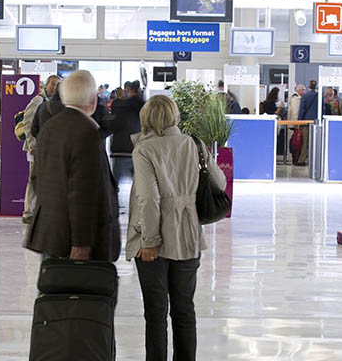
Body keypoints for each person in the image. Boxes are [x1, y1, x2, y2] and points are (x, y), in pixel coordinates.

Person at [126, 95, 225, 361]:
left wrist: (149, 240)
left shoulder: (144, 149)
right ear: (175, 116)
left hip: (153, 242)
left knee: (156, 313)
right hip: (189, 235)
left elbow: (148, 199)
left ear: (145, 119)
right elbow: (221, 182)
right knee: (184, 311)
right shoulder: (194, 144)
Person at [25, 70, 120, 262]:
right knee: (80, 290)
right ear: (93, 100)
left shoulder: (49, 128)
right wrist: (81, 244)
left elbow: (37, 178)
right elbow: (83, 192)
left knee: (54, 287)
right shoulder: (88, 132)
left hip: (51, 233)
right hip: (76, 241)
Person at [21, 75, 61, 224]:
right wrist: (32, 145)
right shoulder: (38, 100)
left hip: (45, 147)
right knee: (34, 179)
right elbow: (28, 122)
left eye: (58, 85)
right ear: (46, 85)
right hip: (36, 147)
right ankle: (28, 212)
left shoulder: (50, 102)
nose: (55, 88)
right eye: (53, 85)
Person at [107, 80, 145, 202]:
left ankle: (114, 210)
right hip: (138, 149)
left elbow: (113, 125)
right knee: (141, 186)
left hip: (120, 149)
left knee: (114, 186)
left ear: (128, 89)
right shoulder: (144, 106)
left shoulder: (119, 106)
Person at [295, 80, 319, 166]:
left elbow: (302, 110)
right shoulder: (319, 96)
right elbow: (322, 109)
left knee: (305, 142)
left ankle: (301, 160)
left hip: (306, 122)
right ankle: (315, 160)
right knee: (316, 142)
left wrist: (299, 122)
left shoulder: (305, 96)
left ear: (309, 86)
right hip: (317, 123)